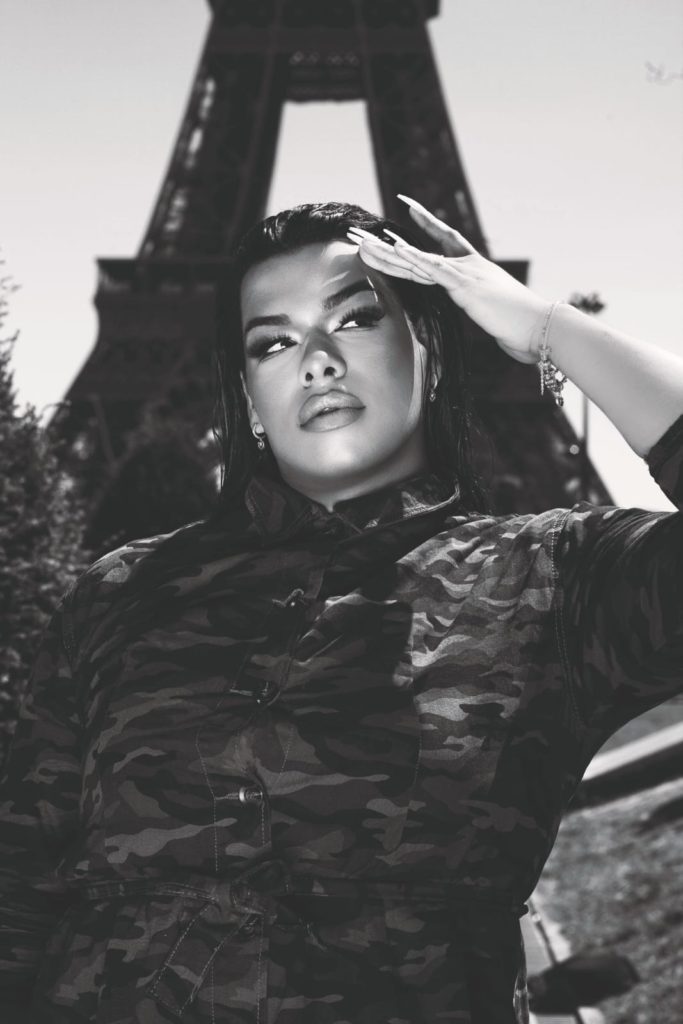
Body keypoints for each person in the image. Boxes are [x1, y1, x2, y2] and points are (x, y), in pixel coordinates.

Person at [0, 197, 681, 1024]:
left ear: (431, 353)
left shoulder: (554, 581)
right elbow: (20, 886)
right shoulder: (119, 592)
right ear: (248, 398)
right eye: (273, 342)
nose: (316, 362)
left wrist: (545, 328)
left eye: (355, 319)